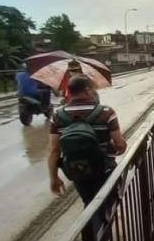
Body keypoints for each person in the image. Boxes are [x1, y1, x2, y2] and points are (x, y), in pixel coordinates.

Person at [48, 75, 127, 207]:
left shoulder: (58, 116)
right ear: (87, 90)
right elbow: (119, 145)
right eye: (93, 89)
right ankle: (100, 224)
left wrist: (54, 177)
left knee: (88, 203)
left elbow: (54, 150)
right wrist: (121, 146)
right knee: (106, 204)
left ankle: (91, 225)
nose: (95, 92)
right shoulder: (106, 112)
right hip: (104, 167)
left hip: (78, 169)